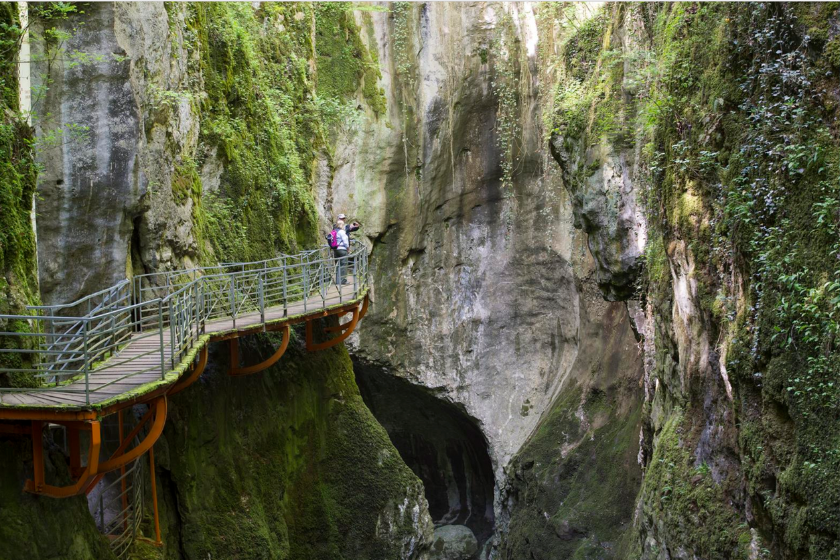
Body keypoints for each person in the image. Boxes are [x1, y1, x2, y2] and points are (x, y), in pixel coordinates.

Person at [334, 219, 350, 285]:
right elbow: (345, 242)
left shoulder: (334, 231)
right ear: (341, 225)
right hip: (342, 250)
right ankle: (343, 281)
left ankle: (338, 281)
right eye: (343, 224)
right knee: (343, 265)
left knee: (338, 265)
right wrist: (348, 248)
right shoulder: (342, 232)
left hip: (336, 250)